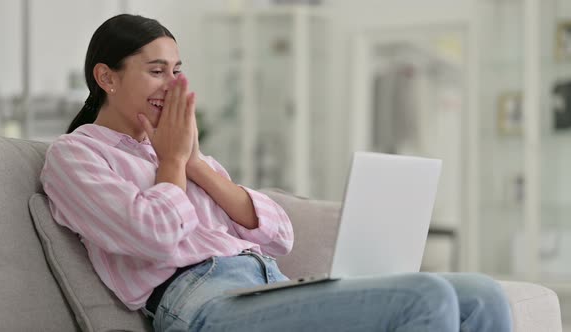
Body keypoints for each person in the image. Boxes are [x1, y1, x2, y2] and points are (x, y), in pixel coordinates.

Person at [41, 14, 513, 332]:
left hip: (266, 284)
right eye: (157, 71)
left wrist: (196, 164)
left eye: (178, 70)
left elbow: (279, 234)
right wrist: (171, 164)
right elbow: (156, 237)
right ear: (107, 77)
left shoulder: (181, 151)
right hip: (202, 305)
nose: (174, 85)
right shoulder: (75, 156)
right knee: (425, 295)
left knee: (482, 295)